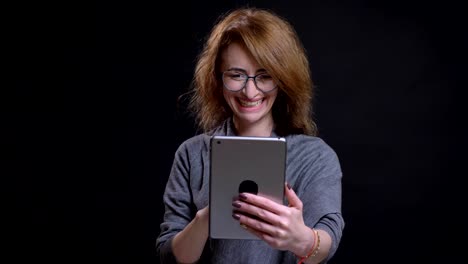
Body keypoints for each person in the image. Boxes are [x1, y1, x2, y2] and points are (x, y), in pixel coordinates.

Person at [156, 6, 344, 264]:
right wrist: (207, 218)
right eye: (236, 75)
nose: (250, 91)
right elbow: (171, 255)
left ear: (283, 79)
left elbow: (327, 241)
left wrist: (302, 239)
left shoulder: (315, 156)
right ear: (217, 79)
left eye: (265, 76)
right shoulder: (192, 153)